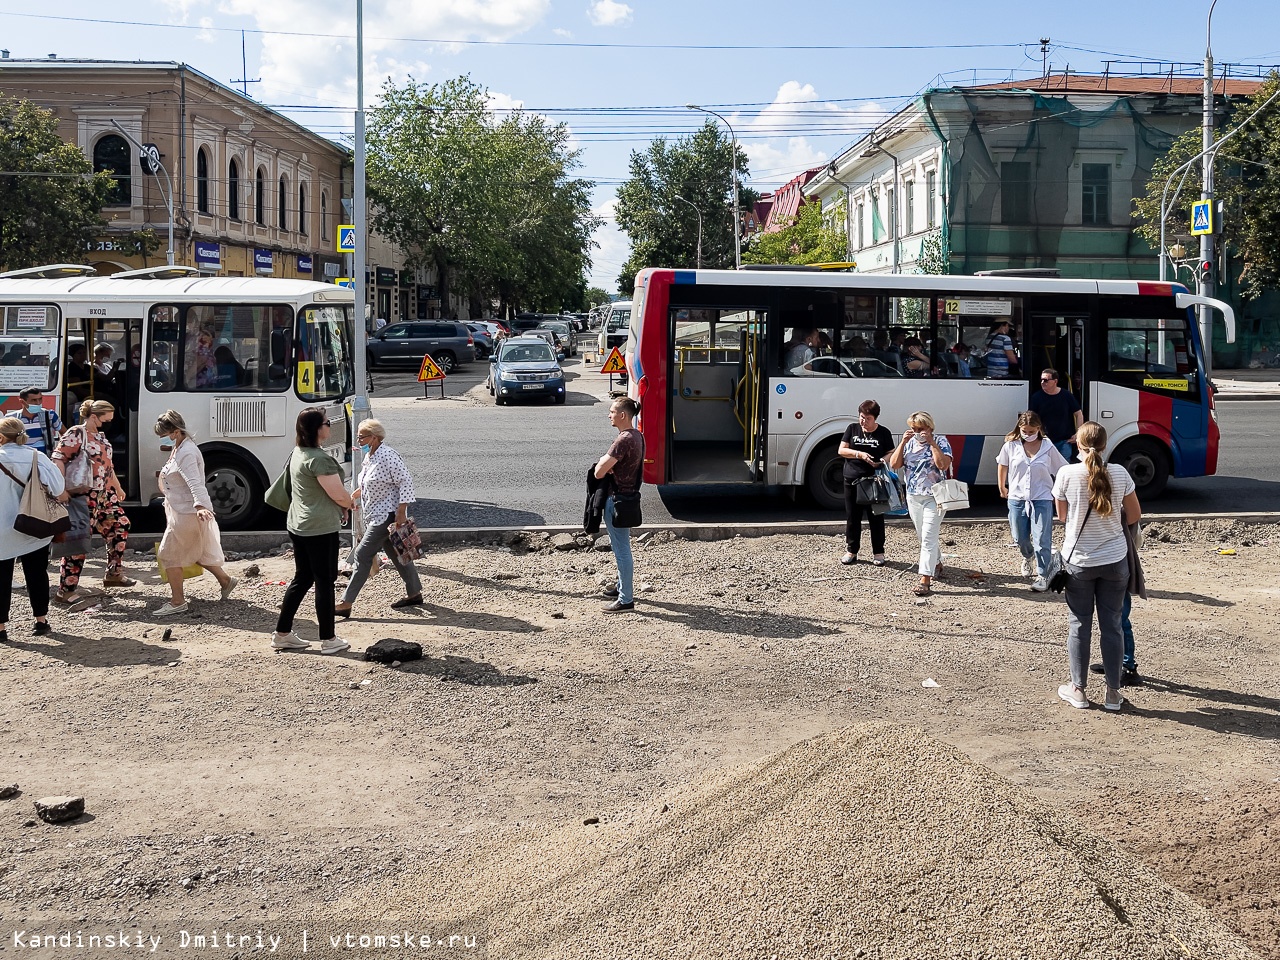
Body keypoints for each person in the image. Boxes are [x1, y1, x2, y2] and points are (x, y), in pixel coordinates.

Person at [1052, 421, 1141, 712]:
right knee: (1112, 625)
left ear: (1078, 444)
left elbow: (1064, 517)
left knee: (1079, 624)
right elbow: (1134, 515)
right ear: (1105, 444)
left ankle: (1078, 690)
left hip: (1079, 561)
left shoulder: (1066, 473)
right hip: (1115, 560)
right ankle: (1113, 693)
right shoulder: (1120, 472)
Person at [271, 407, 354, 654]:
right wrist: (350, 503)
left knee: (303, 578)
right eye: (327, 423)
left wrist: (343, 503)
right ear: (318, 429)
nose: (330, 426)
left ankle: (282, 633)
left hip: (299, 524)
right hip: (319, 527)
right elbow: (337, 493)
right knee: (325, 581)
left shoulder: (299, 452)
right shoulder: (319, 460)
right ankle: (328, 639)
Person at [152, 410, 237, 617]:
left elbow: (195, 482)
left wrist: (200, 506)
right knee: (196, 551)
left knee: (169, 555)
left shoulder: (186, 452)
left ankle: (177, 601)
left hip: (187, 513)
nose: (164, 438)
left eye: (165, 434)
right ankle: (226, 581)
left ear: (176, 431)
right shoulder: (180, 448)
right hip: (181, 511)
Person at [334, 419, 422, 618]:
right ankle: (414, 593)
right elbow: (370, 482)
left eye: (362, 436)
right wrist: (355, 495)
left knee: (363, 554)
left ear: (374, 437)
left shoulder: (387, 455)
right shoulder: (370, 456)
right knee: (397, 553)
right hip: (377, 513)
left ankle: (346, 602)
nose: (359, 439)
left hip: (386, 516)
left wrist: (401, 511)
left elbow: (405, 481)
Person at [51, 399, 135, 603]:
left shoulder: (100, 437)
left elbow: (107, 466)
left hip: (104, 493)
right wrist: (60, 488)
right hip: (83, 495)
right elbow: (59, 458)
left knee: (120, 526)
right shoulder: (76, 433)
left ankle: (113, 573)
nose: (108, 423)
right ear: (94, 416)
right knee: (78, 539)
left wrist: (117, 487)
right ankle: (66, 589)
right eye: (105, 419)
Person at [0, 417, 68, 642]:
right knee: (37, 573)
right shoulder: (37, 457)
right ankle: (40, 621)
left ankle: (0, 627)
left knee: (1, 576)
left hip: (2, 528)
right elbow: (58, 487)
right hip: (36, 524)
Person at [996, 411, 1068, 592]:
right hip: (1017, 497)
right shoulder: (1010, 446)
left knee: (1042, 537)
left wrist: (1062, 492)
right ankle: (1027, 556)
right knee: (1019, 536)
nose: (1028, 434)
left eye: (1031, 431)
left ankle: (1043, 575)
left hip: (1042, 497)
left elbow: (1061, 468)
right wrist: (1002, 486)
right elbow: (1002, 465)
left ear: (1038, 429)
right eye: (1024, 431)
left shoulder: (1047, 446)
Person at [888, 411, 953, 597]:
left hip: (935, 496)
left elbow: (943, 465)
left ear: (930, 428)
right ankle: (937, 562)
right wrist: (902, 442)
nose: (917, 432)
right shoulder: (909, 444)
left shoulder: (941, 441)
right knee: (923, 535)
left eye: (921, 429)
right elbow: (894, 464)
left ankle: (925, 579)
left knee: (928, 537)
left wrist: (931, 443)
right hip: (913, 495)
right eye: (913, 429)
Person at [594, 397, 644, 613]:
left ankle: (626, 599)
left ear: (623, 415)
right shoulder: (637, 435)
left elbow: (599, 471)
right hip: (628, 496)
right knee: (620, 546)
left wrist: (604, 465)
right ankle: (622, 588)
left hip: (617, 500)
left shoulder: (623, 439)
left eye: (612, 411)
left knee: (621, 549)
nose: (609, 415)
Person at [838, 400, 894, 566]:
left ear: (875, 418)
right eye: (861, 417)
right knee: (852, 517)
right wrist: (859, 454)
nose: (863, 421)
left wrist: (882, 461)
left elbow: (891, 451)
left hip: (874, 480)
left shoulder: (883, 432)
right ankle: (852, 550)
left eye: (867, 418)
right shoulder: (852, 429)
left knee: (876, 517)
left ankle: (878, 552)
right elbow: (842, 450)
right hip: (852, 479)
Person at [1029, 368, 1084, 462]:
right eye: (1041, 380)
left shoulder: (1066, 395)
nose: (1042, 382)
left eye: (1046, 380)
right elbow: (1031, 418)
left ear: (1055, 381)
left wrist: (1078, 433)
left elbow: (1079, 414)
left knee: (1064, 468)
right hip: (1044, 441)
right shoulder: (1036, 397)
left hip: (1064, 441)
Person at [16, 387, 62, 453]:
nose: (38, 403)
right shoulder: (12, 418)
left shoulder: (49, 415)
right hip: (22, 459)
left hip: (45, 458)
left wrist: (59, 452)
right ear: (22, 401)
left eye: (40, 399)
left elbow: (64, 434)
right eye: (34, 400)